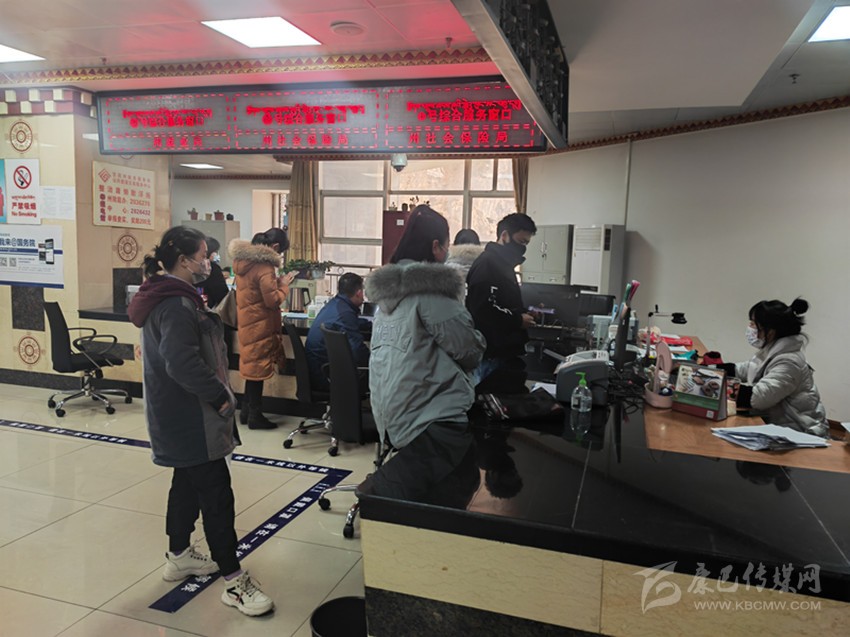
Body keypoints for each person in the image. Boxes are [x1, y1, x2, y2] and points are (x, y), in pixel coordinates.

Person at [127, 226, 273, 617]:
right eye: (204, 255)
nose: (209, 261)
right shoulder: (176, 304)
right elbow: (182, 363)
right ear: (183, 260)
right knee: (217, 495)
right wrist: (220, 398)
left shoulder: (171, 296)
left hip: (177, 414)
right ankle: (233, 581)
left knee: (186, 484)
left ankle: (179, 555)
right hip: (191, 416)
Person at [366, 205, 486, 496]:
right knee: (468, 483)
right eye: (445, 246)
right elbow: (469, 350)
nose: (446, 253)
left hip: (391, 414)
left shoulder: (385, 296)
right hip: (430, 417)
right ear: (435, 247)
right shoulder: (431, 291)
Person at [723, 298, 828, 437]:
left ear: (771, 331)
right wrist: (714, 369)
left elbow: (759, 398)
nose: (750, 328)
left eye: (753, 324)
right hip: (779, 425)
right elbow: (748, 368)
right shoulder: (774, 351)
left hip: (801, 432)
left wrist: (719, 386)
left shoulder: (789, 362)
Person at [229, 228, 296, 429]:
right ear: (274, 247)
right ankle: (255, 416)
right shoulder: (264, 267)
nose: (279, 256)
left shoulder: (243, 262)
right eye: (280, 252)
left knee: (251, 369)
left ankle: (246, 412)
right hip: (260, 324)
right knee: (257, 370)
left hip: (247, 322)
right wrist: (284, 285)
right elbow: (272, 300)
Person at [466, 212, 537, 393]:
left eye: (526, 244)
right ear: (504, 235)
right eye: (521, 242)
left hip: (504, 352)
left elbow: (502, 303)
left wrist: (523, 313)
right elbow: (482, 308)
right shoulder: (487, 264)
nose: (522, 248)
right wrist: (517, 319)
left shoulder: (504, 265)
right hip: (492, 355)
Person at [305, 272, 370, 392]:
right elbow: (358, 352)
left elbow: (347, 322)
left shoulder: (335, 305)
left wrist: (368, 324)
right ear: (359, 293)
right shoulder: (345, 313)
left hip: (317, 371)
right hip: (327, 376)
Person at [199, 236, 229, 309]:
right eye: (216, 251)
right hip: (210, 308)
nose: (217, 254)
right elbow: (222, 295)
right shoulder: (213, 268)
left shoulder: (194, 265)